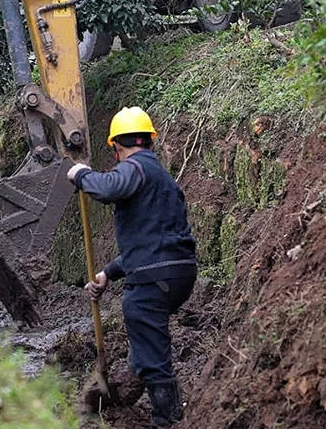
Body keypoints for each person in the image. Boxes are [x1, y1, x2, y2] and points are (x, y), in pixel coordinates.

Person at [67, 106, 197, 427]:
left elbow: (107, 188)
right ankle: (134, 379)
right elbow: (151, 245)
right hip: (177, 272)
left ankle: (165, 420)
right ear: (150, 141)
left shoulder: (135, 168)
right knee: (145, 337)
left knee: (144, 330)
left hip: (155, 280)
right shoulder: (160, 178)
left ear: (117, 148)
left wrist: (80, 174)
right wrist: (107, 273)